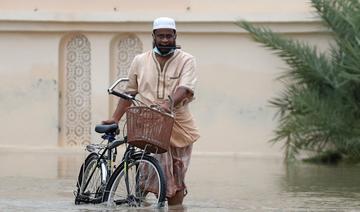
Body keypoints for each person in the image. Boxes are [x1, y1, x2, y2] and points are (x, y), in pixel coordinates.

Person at [102, 17, 200, 206]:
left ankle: (174, 208)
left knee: (177, 182)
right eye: (161, 36)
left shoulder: (187, 60)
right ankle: (140, 205)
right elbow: (129, 93)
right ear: (153, 36)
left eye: (168, 36)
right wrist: (114, 118)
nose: (164, 40)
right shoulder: (140, 60)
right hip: (150, 124)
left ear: (175, 36)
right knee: (147, 177)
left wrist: (168, 103)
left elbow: (186, 88)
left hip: (180, 126)